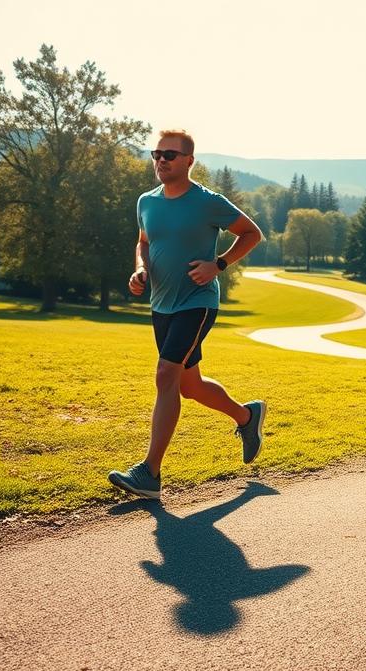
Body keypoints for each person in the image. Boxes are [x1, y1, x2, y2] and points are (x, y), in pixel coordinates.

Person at [107, 129, 266, 500]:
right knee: (188, 386)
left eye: (170, 155)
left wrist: (219, 264)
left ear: (189, 161)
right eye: (156, 154)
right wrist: (139, 270)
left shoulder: (207, 201)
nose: (161, 160)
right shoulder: (146, 202)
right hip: (161, 304)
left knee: (166, 375)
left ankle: (149, 474)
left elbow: (251, 233)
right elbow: (144, 242)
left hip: (196, 302)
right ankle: (247, 416)